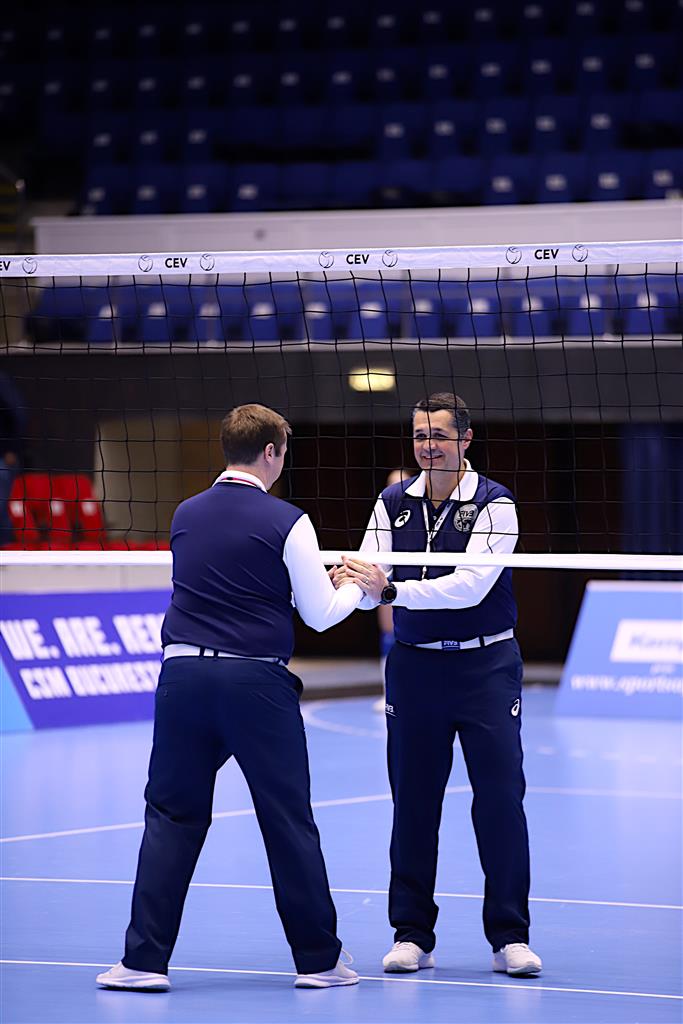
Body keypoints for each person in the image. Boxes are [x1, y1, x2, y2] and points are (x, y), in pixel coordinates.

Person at [97, 404, 384, 994]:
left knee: (171, 818)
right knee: (287, 820)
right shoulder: (289, 520)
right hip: (254, 685)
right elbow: (318, 614)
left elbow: (226, 582)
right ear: (272, 452)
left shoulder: (185, 513)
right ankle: (319, 961)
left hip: (182, 680)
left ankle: (143, 962)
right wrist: (361, 590)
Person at [334, 392, 542, 978]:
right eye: (420, 436)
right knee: (413, 803)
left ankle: (510, 937)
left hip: (486, 668)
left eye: (440, 437)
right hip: (415, 668)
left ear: (465, 440)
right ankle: (411, 934)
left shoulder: (496, 505)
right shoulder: (392, 501)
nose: (428, 447)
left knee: (500, 800)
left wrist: (388, 590)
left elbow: (470, 586)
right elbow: (368, 577)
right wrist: (345, 588)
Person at [373, 469, 407, 712]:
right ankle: (388, 692)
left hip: (414, 578)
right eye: (392, 484)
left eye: (400, 484)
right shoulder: (385, 509)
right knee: (388, 633)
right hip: (388, 575)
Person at [0, 371, 27, 547]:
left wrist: (11, 449)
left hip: (2, 456)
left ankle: (3, 548)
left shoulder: (2, 382)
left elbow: (18, 415)